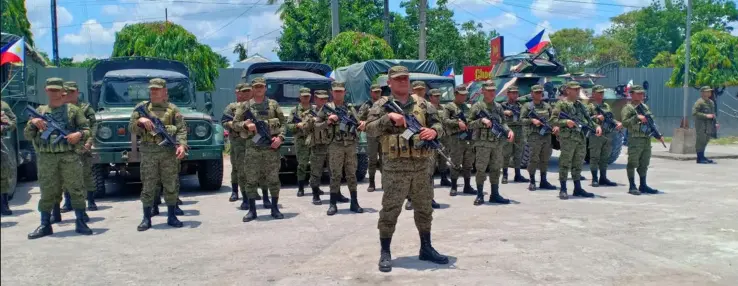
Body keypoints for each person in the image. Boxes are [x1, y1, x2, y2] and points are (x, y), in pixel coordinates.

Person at [366, 66, 449, 272]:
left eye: (405, 78)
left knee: (424, 208)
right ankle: (385, 252)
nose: (403, 81)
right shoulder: (381, 105)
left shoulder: (423, 104)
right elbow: (368, 129)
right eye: (398, 79)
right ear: (390, 83)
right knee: (390, 210)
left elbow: (440, 125)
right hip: (395, 168)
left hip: (422, 166)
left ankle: (426, 248)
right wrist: (388, 119)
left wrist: (433, 132)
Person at [26, 78, 93, 239]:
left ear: (62, 91)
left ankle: (80, 221)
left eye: (57, 90)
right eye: (51, 90)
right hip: (46, 158)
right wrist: (33, 123)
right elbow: (28, 135)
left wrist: (79, 134)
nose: (54, 93)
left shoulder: (73, 111)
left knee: (76, 189)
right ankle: (45, 224)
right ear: (46, 90)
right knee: (47, 191)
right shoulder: (40, 111)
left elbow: (87, 129)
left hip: (69, 156)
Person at [129, 78, 188, 231]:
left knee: (170, 184)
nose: (153, 92)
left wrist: (181, 145)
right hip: (149, 151)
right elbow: (131, 129)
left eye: (157, 89)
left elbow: (181, 129)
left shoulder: (173, 109)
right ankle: (146, 218)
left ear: (164, 91)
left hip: (168, 152)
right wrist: (140, 121)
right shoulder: (141, 108)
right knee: (148, 185)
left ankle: (171, 215)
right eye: (152, 89)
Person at [232, 77, 286, 222]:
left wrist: (280, 138)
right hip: (253, 149)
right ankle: (252, 210)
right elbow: (234, 123)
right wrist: (245, 125)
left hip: (271, 148)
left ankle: (274, 208)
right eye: (256, 87)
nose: (259, 89)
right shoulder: (245, 106)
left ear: (265, 88)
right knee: (251, 180)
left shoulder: (273, 105)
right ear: (252, 89)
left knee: (273, 179)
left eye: (261, 86)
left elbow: (284, 123)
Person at [551, 81, 602, 200]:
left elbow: (588, 120)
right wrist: (565, 122)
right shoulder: (561, 104)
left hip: (580, 138)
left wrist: (596, 126)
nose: (578, 91)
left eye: (578, 89)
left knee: (578, 163)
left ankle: (577, 188)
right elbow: (553, 120)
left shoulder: (579, 105)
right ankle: (563, 189)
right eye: (575, 89)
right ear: (568, 90)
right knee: (565, 163)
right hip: (568, 139)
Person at [57, 81, 99, 215]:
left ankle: (91, 200)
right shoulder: (61, 108)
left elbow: (93, 126)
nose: (69, 94)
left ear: (77, 92)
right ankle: (68, 202)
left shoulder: (85, 108)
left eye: (71, 92)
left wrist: (89, 141)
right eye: (66, 92)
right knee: (66, 176)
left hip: (82, 145)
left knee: (86, 173)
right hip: (65, 145)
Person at [469, 81, 514, 205]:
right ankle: (479, 195)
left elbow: (503, 122)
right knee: (481, 169)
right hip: (482, 143)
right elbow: (469, 123)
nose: (492, 92)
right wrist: (481, 120)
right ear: (483, 91)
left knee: (496, 169)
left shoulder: (498, 107)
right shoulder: (477, 106)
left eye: (493, 90)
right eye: (489, 90)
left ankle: (495, 194)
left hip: (497, 144)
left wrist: (509, 131)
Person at [323, 81, 364, 215]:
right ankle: (333, 203)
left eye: (341, 91)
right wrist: (328, 121)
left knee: (352, 174)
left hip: (350, 145)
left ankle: (354, 202)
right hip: (335, 145)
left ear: (344, 92)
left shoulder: (350, 108)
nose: (338, 93)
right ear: (331, 92)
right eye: (336, 91)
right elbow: (316, 125)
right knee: (335, 175)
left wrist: (361, 124)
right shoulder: (326, 108)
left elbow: (358, 123)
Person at [404, 81, 442, 210]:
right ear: (411, 90)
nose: (419, 92)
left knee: (428, 173)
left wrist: (433, 131)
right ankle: (410, 199)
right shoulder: (405, 105)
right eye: (416, 89)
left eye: (421, 90)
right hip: (408, 144)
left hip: (425, 144)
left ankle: (429, 197)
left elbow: (437, 124)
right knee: (409, 173)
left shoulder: (429, 106)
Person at [621, 85, 659, 195]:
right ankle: (632, 186)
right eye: (638, 93)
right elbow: (624, 123)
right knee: (632, 163)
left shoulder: (645, 107)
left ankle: (643, 185)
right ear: (631, 94)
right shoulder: (628, 108)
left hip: (646, 138)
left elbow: (651, 121)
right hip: (635, 139)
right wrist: (636, 117)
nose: (641, 95)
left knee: (644, 163)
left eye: (642, 93)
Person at [519, 84, 559, 191]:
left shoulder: (547, 106)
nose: (539, 94)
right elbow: (521, 120)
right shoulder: (527, 106)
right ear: (532, 94)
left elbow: (553, 119)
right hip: (534, 137)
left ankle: (543, 181)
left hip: (546, 137)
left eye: (540, 92)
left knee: (545, 159)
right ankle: (532, 181)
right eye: (536, 92)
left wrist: (555, 126)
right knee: (533, 159)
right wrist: (532, 120)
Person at [443, 85, 476, 196]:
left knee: (468, 162)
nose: (464, 97)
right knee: (455, 162)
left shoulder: (466, 107)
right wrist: (457, 123)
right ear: (456, 94)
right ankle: (454, 187)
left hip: (468, 138)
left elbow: (471, 119)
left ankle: (467, 186)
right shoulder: (449, 106)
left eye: (465, 95)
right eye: (461, 95)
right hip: (456, 139)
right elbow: (445, 120)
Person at [587, 85, 622, 186]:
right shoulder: (590, 106)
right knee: (594, 157)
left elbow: (610, 118)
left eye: (602, 92)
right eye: (599, 92)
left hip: (607, 134)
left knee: (604, 157)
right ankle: (594, 179)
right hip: (596, 135)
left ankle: (603, 178)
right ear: (593, 93)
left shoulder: (606, 106)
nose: (601, 94)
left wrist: (617, 122)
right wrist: (597, 118)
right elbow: (586, 120)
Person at [304, 90, 333, 205]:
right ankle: (315, 194)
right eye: (321, 99)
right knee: (316, 171)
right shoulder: (310, 113)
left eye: (325, 99)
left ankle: (337, 193)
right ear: (315, 99)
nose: (323, 101)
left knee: (334, 171)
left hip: (331, 145)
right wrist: (325, 122)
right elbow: (307, 128)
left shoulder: (331, 111)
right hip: (318, 146)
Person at [223, 83, 250, 206]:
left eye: (246, 91)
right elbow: (224, 121)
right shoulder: (231, 107)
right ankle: (235, 191)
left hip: (251, 140)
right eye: (241, 91)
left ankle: (251, 191)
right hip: (237, 141)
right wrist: (233, 125)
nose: (244, 94)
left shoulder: (253, 105)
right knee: (237, 167)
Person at [286, 87, 314, 196]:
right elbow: (288, 125)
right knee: (302, 165)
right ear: (300, 97)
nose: (306, 98)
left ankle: (314, 185)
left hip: (313, 140)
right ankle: (301, 188)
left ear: (310, 97)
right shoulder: (295, 110)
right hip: (301, 141)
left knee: (315, 164)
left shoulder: (315, 109)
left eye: (307, 96)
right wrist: (297, 125)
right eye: (304, 96)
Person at [357, 84, 384, 192]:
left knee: (384, 160)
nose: (377, 93)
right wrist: (363, 122)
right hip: (371, 135)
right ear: (371, 92)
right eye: (375, 91)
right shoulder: (366, 105)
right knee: (372, 160)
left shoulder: (385, 104)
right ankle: (372, 182)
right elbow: (358, 118)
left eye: (378, 91)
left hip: (383, 135)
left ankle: (384, 182)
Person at [500, 86, 529, 184]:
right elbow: (495, 115)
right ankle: (505, 175)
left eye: (516, 93)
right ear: (508, 94)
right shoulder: (502, 105)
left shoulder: (521, 106)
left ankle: (518, 174)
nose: (515, 94)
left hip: (519, 131)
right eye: (513, 93)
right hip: (508, 130)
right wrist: (504, 112)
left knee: (518, 153)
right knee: (506, 153)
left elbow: (526, 117)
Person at [692, 86, 719, 164]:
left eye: (710, 91)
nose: (709, 93)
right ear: (702, 93)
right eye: (707, 91)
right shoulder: (699, 102)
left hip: (709, 124)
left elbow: (713, 113)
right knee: (701, 140)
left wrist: (716, 122)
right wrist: (705, 115)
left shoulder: (711, 102)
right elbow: (694, 113)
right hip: (701, 124)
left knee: (706, 140)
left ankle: (703, 156)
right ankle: (699, 158)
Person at [1, 100, 17, 216]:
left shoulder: (2, 105)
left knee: (3, 172)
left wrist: (3, 128)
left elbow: (12, 121)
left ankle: (3, 204)